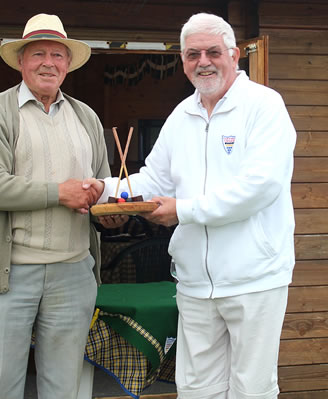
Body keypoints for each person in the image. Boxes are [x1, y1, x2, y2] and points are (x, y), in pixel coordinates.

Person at [91, 12, 296, 399]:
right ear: (182, 61)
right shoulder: (181, 115)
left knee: (252, 389)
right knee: (196, 388)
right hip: (194, 284)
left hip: (255, 279)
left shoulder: (264, 106)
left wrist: (183, 211)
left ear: (235, 55)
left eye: (212, 51)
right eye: (192, 54)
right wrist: (102, 189)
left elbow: (260, 187)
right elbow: (153, 179)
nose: (203, 61)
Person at [0, 13, 114, 399]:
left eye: (57, 55)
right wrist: (59, 193)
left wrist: (108, 210)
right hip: (9, 272)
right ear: (21, 62)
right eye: (38, 54)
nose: (48, 62)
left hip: (74, 272)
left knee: (62, 387)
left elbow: (102, 185)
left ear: (67, 65)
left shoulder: (87, 117)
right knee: (0, 386)